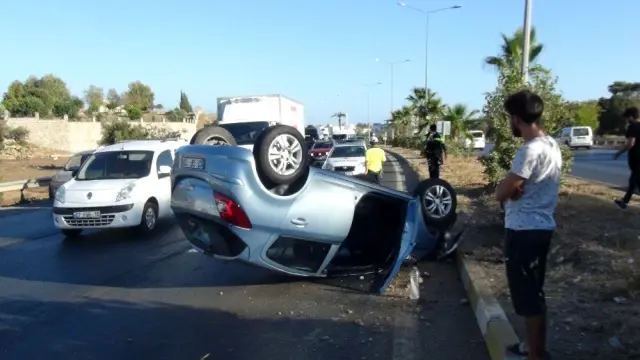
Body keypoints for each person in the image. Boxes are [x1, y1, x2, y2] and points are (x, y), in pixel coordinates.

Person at [495, 90, 561, 360]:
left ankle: (535, 356)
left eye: (510, 118)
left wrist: (507, 188)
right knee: (534, 293)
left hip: (523, 231)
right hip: (541, 228)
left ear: (516, 118)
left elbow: (502, 192)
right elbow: (520, 185)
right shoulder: (551, 144)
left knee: (527, 298)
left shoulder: (529, 150)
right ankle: (533, 348)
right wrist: (514, 187)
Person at [613, 106, 640, 209]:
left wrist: (618, 153)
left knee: (635, 180)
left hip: (637, 158)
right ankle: (624, 201)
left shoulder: (633, 127)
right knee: (634, 181)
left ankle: (624, 202)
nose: (627, 120)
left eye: (627, 118)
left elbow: (630, 143)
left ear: (631, 117)